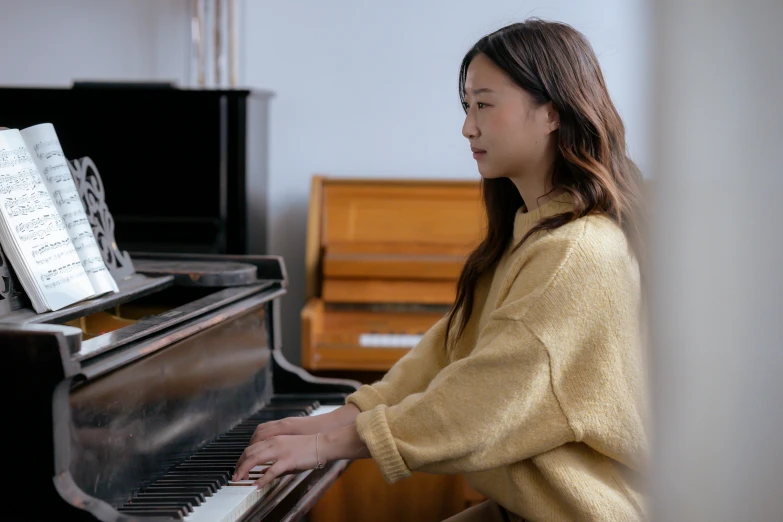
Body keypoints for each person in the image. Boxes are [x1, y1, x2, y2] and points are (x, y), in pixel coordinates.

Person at [233, 18, 648, 522]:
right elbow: (449, 350)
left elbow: (484, 400)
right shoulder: (533, 231)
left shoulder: (577, 251)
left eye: (484, 105)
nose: (467, 127)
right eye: (466, 106)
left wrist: (330, 445)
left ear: (552, 114)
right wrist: (344, 416)